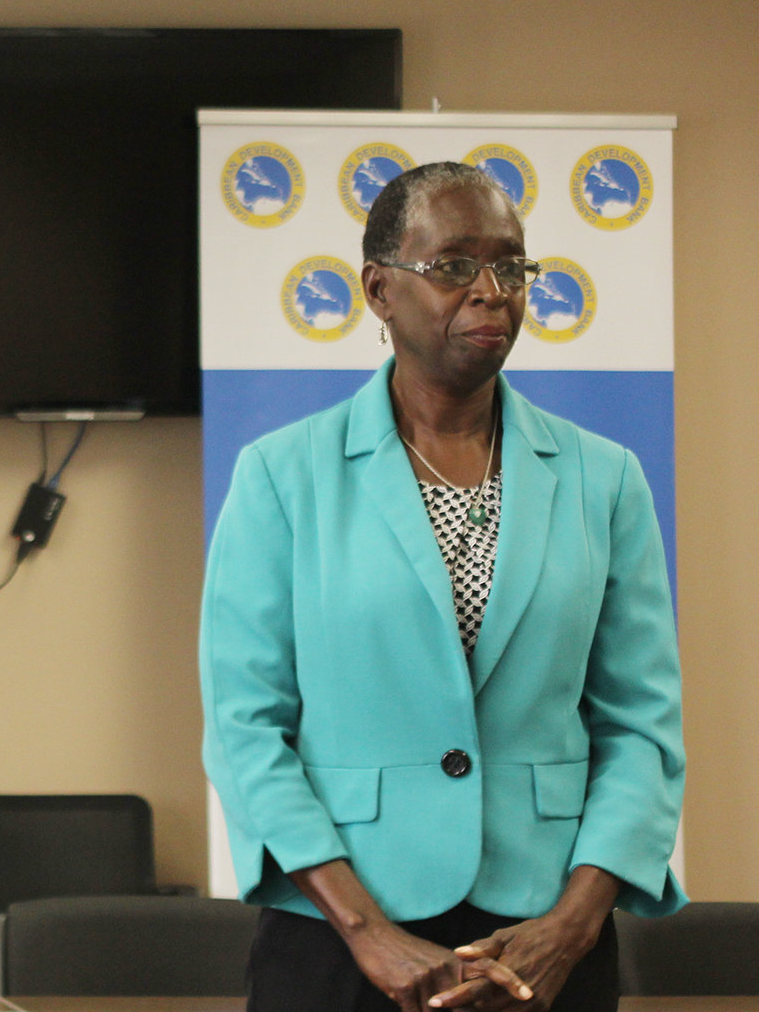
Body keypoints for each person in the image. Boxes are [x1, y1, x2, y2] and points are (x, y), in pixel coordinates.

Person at [201, 161, 684, 1012]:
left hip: (546, 948)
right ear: (380, 291)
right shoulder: (282, 476)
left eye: (512, 266)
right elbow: (246, 730)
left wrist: (571, 925)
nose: (492, 292)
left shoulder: (603, 479)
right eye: (456, 266)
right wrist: (368, 935)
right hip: (338, 942)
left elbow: (641, 727)